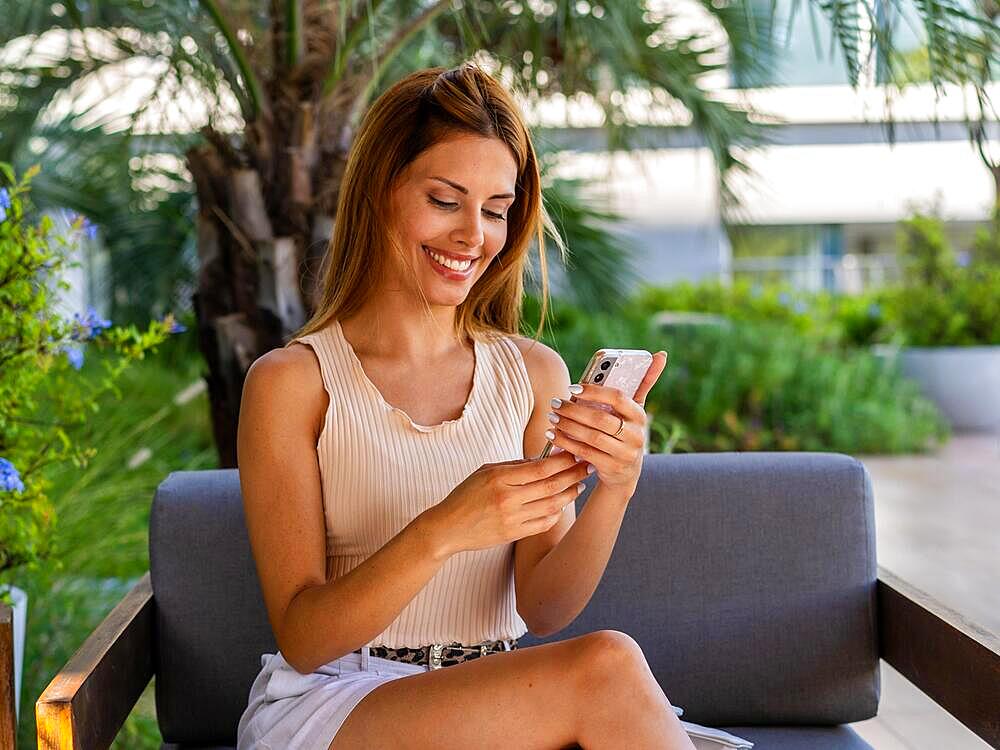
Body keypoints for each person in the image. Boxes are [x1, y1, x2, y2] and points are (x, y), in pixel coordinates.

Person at [235, 61, 687, 750]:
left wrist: (616, 489)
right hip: (337, 702)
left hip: (490, 706)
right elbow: (303, 636)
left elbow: (543, 608)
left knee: (606, 672)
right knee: (608, 667)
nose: (474, 236)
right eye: (445, 201)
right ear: (382, 192)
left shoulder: (531, 374)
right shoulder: (293, 382)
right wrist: (447, 527)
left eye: (497, 210)